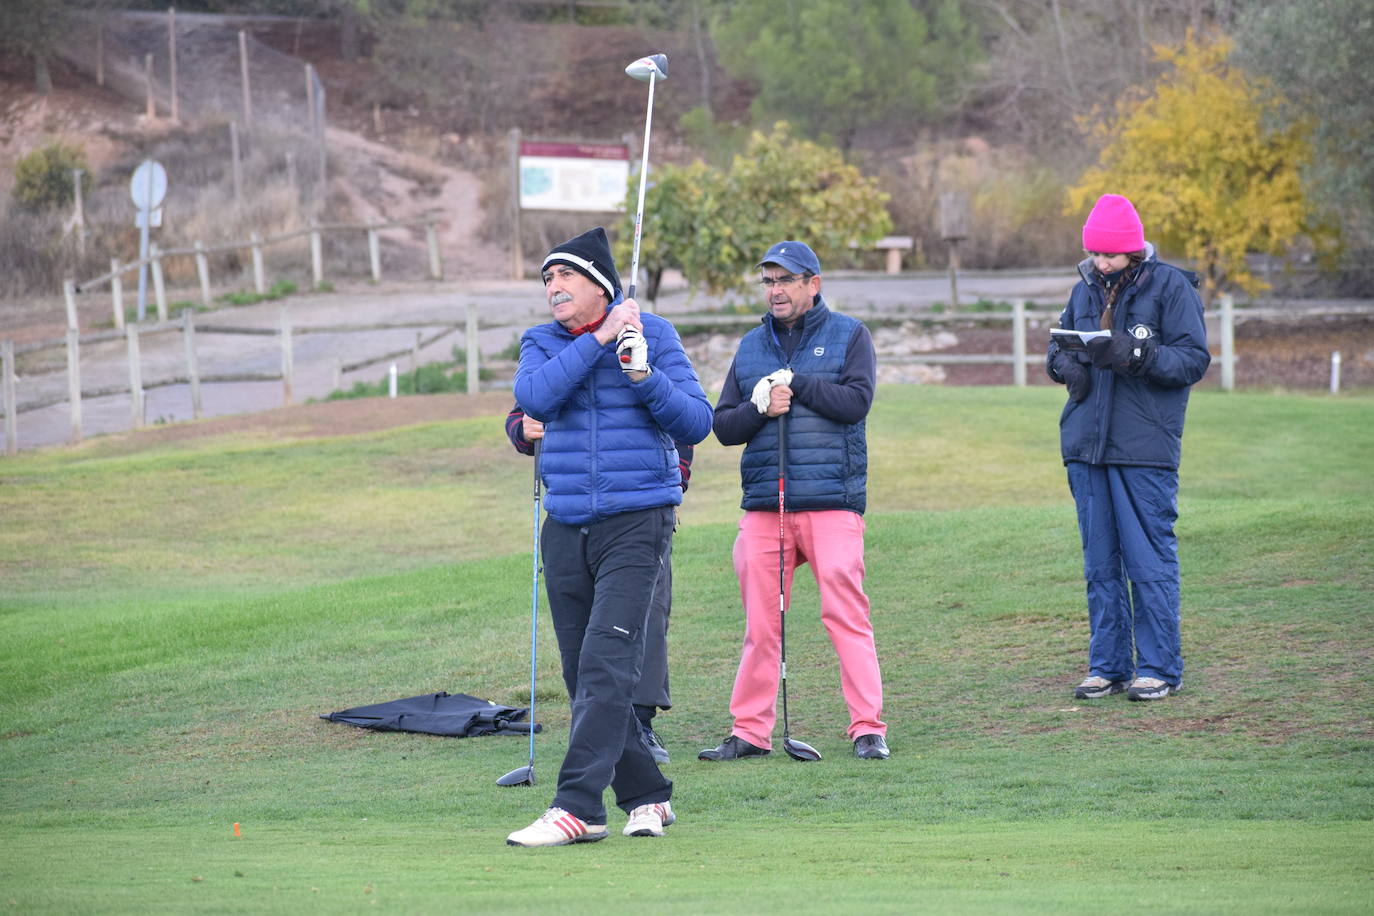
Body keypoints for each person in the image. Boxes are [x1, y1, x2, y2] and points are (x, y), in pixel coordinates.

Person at [505, 227, 712, 847]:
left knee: (606, 660)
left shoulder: (656, 337)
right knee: (584, 672)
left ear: (601, 284)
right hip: (565, 523)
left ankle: (578, 807)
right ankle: (648, 797)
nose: (553, 288)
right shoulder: (541, 343)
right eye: (547, 279)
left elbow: (697, 422)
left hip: (637, 520)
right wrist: (598, 340)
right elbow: (532, 396)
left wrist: (644, 375)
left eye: (565, 276)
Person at [700, 240, 890, 763]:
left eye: (785, 280)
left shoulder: (850, 335)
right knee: (761, 624)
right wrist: (760, 406)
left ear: (813, 284)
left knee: (845, 614)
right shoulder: (750, 346)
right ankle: (750, 731)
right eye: (768, 281)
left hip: (832, 502)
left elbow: (856, 403)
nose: (775, 290)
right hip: (766, 505)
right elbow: (723, 426)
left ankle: (867, 727)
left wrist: (797, 383)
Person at [1046, 193, 1211, 702]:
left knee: (1148, 560)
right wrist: (1066, 365)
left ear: (1134, 250)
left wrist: (1135, 354)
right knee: (1100, 562)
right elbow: (1056, 349)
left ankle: (1160, 667)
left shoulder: (1172, 288)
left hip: (1144, 448)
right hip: (1086, 446)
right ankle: (1108, 665)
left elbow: (1192, 360)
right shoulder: (1085, 288)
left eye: (1110, 256)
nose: (1101, 263)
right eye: (1095, 254)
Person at [505, 403, 694, 765]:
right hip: (574, 512)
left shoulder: (645, 347)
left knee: (645, 619)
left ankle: (639, 724)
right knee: (581, 628)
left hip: (642, 510)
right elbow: (522, 414)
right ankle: (594, 727)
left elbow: (684, 418)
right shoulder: (562, 350)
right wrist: (522, 429)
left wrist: (674, 481)